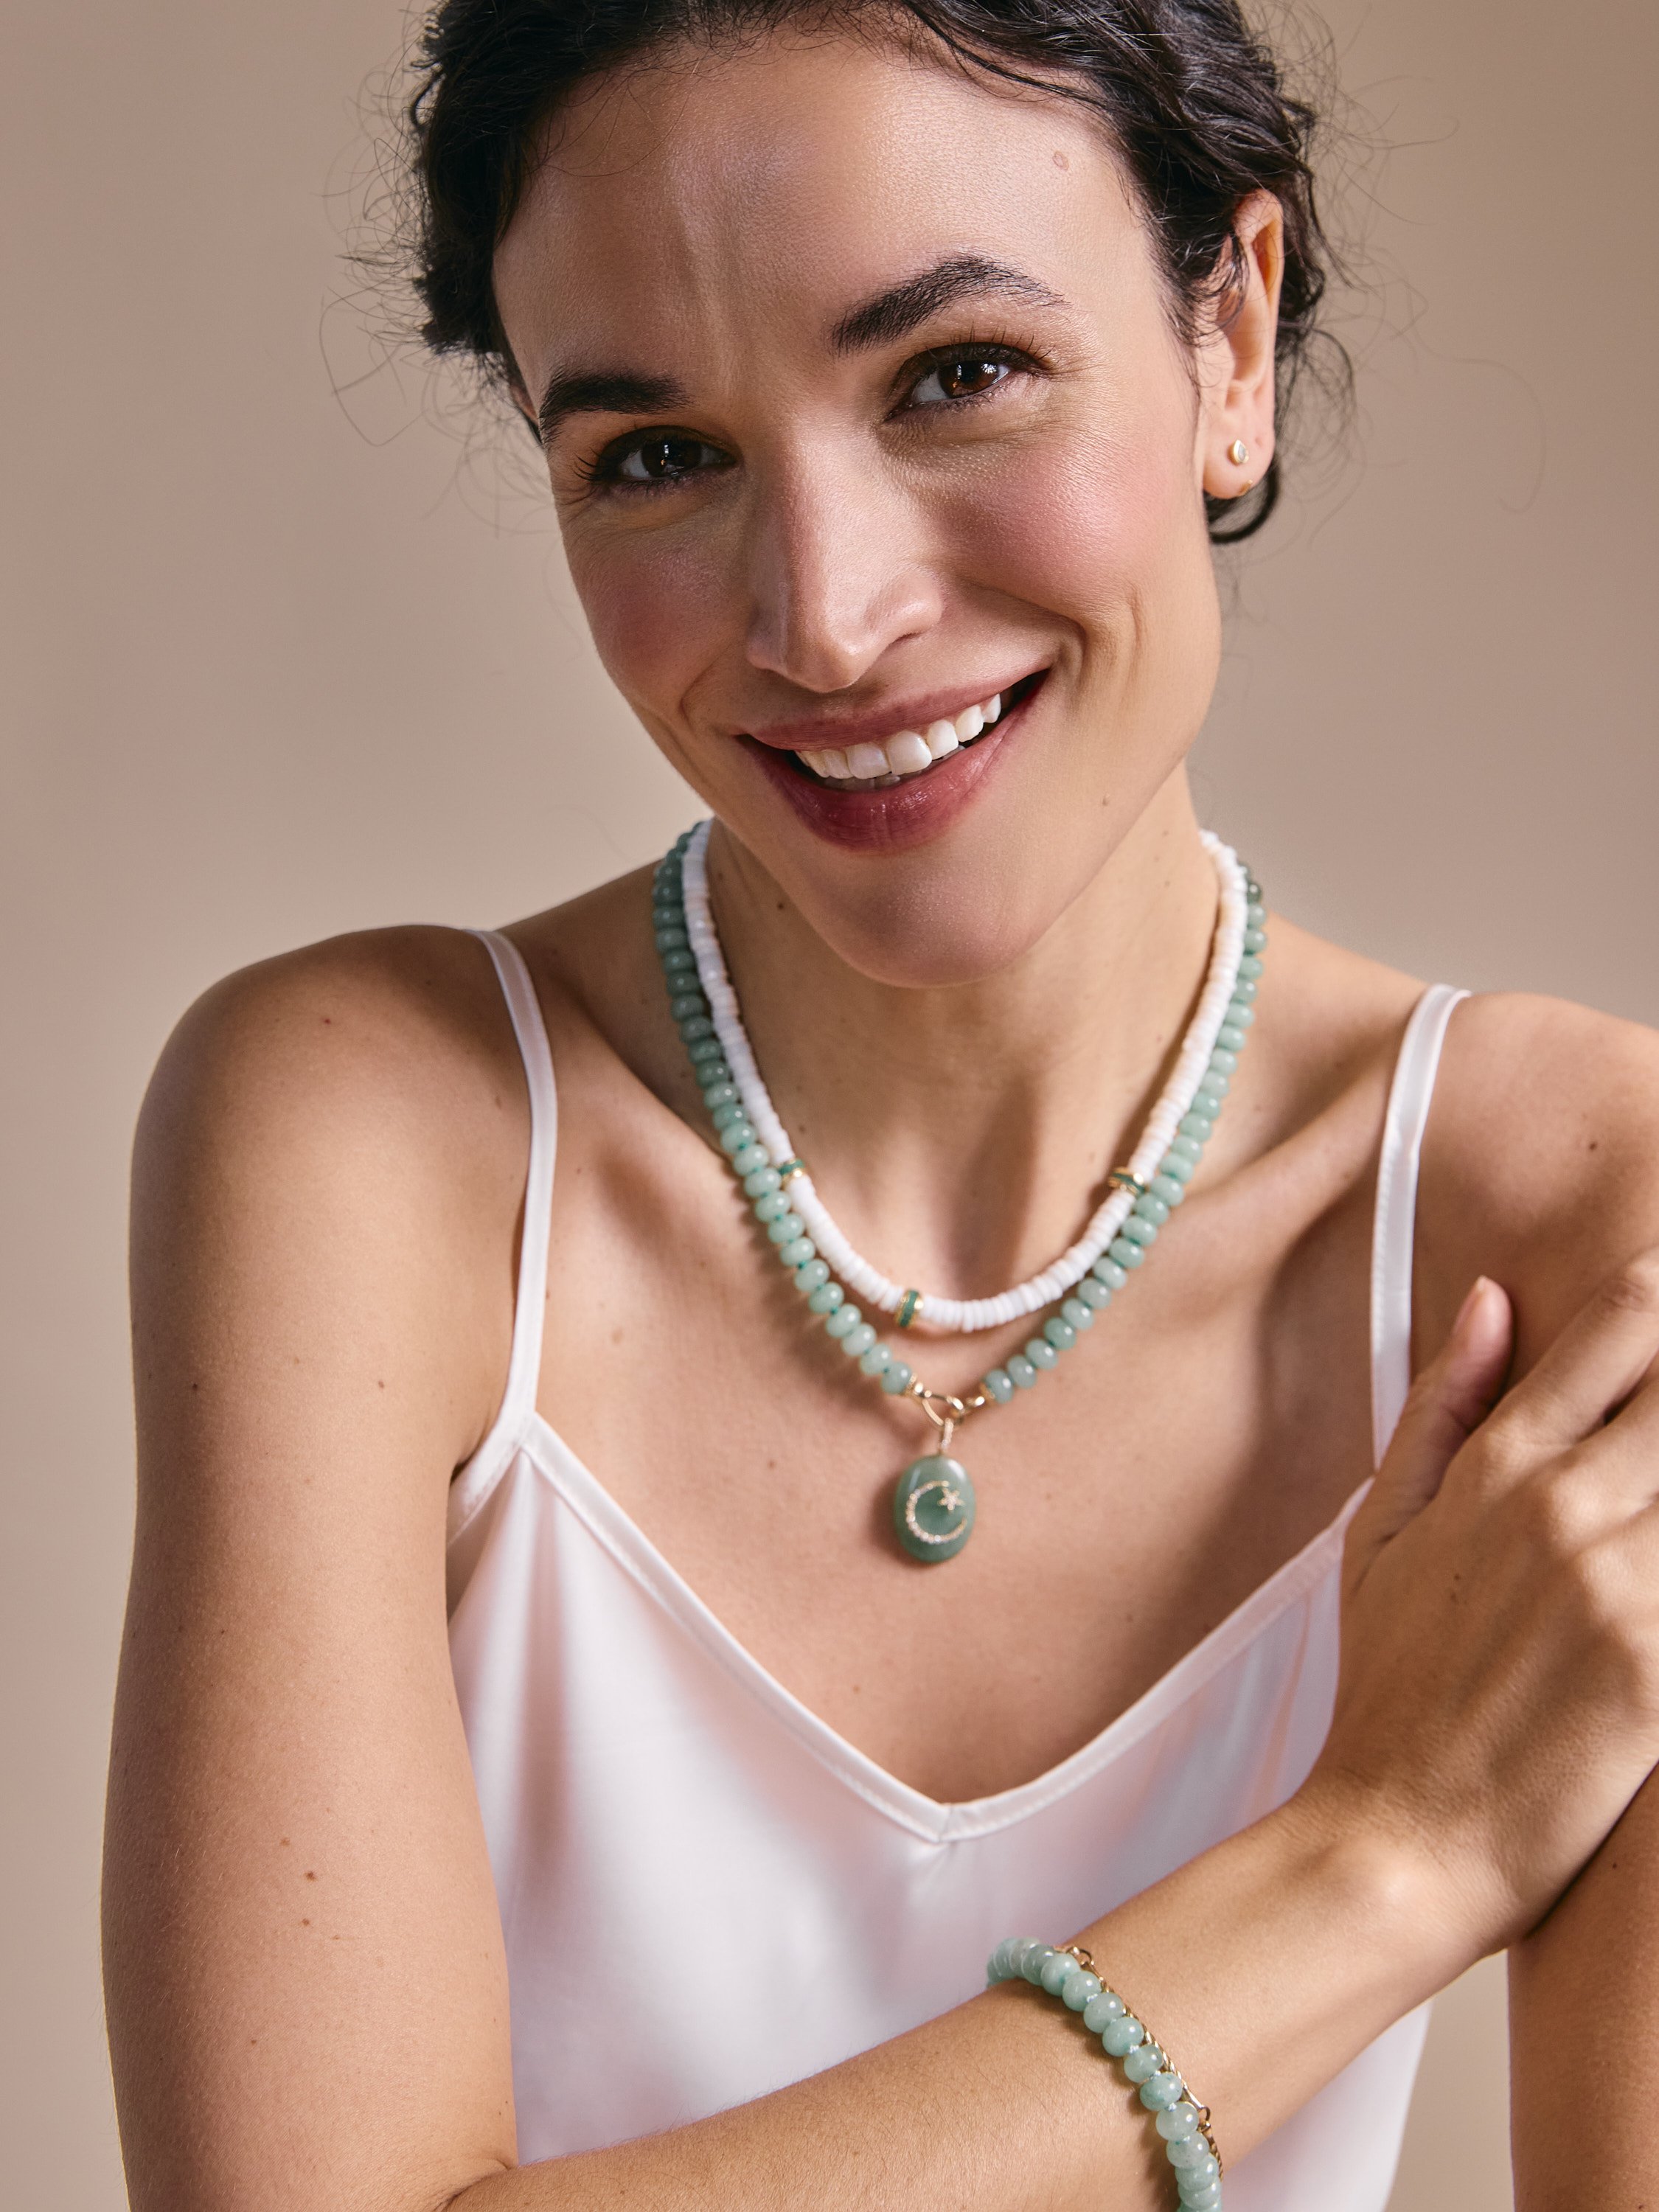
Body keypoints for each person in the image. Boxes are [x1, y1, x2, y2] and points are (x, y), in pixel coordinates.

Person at [102, 3, 1659, 2207]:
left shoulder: (1576, 1210)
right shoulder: (375, 1136)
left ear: (1228, 336)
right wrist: (1384, 1858)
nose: (822, 622)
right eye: (658, 454)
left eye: (955, 374)